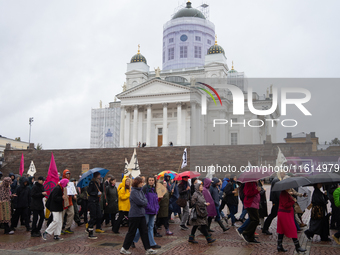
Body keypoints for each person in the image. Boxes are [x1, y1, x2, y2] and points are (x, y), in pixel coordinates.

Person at [120, 177, 157, 255]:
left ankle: (148, 248)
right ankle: (124, 248)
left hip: (141, 214)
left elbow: (145, 201)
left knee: (144, 232)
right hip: (134, 215)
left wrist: (144, 202)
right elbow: (140, 202)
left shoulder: (140, 191)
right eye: (141, 182)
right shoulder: (133, 192)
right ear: (137, 183)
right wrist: (144, 202)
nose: (142, 184)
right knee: (131, 232)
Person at [133, 176, 161, 249]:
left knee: (151, 227)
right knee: (143, 227)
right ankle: (132, 239)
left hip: (153, 211)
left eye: (152, 180)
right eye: (150, 180)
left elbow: (155, 201)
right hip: (146, 211)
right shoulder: (145, 188)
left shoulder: (154, 189)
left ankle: (152, 243)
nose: (151, 181)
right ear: (147, 181)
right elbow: (144, 200)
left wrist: (156, 208)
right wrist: (150, 208)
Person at [262, 171, 285, 235]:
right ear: (280, 173)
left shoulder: (277, 180)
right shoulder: (276, 180)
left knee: (274, 214)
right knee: (273, 214)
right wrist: (281, 199)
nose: (284, 174)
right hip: (277, 201)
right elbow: (277, 192)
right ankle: (265, 228)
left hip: (276, 200)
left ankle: (265, 228)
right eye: (283, 173)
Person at [61, 169, 75, 234]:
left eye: (69, 174)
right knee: (62, 215)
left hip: (69, 201)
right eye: (66, 174)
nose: (68, 175)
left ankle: (68, 227)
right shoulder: (61, 182)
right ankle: (60, 228)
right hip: (64, 201)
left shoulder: (70, 182)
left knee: (71, 213)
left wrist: (74, 193)